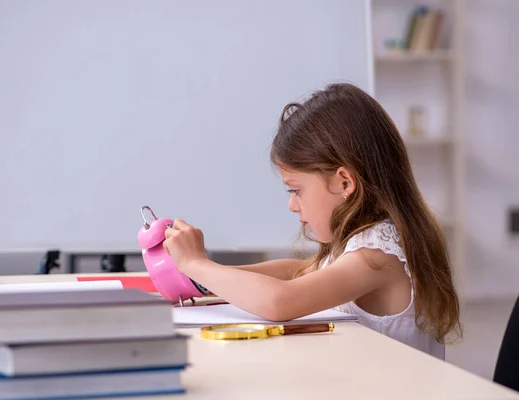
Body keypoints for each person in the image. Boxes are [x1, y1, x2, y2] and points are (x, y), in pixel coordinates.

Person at [163, 82, 461, 359]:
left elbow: (280, 301)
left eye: (296, 190)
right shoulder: (366, 240)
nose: (292, 205)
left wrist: (197, 265)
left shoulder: (379, 253)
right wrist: (207, 279)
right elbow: (298, 272)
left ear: (344, 183)